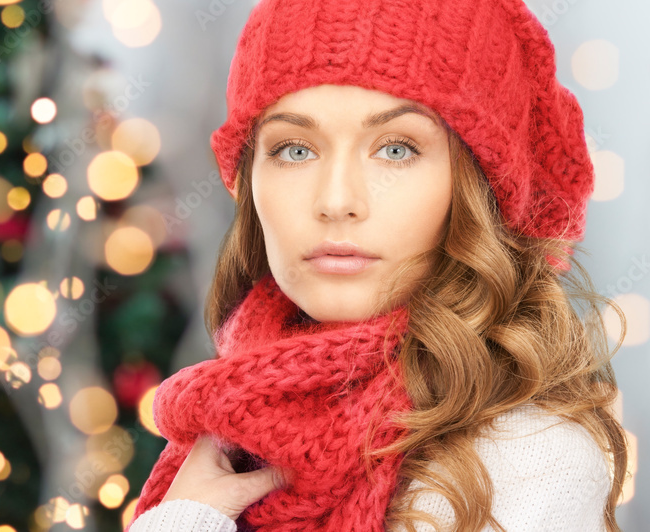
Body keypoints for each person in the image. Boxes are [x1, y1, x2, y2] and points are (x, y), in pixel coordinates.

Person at [124, 0, 629, 531]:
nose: (337, 200)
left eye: (396, 150)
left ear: (476, 186)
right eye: (295, 150)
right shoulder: (231, 424)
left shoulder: (530, 458)